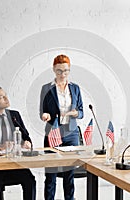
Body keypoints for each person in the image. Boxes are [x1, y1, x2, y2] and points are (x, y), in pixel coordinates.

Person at [39, 54, 84, 200]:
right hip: (53, 132)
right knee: (51, 173)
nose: (63, 74)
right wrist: (45, 116)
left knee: (69, 173)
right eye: (59, 71)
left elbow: (82, 111)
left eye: (66, 71)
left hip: (71, 133)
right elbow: (43, 110)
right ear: (53, 69)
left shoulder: (75, 88)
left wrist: (75, 113)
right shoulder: (46, 88)